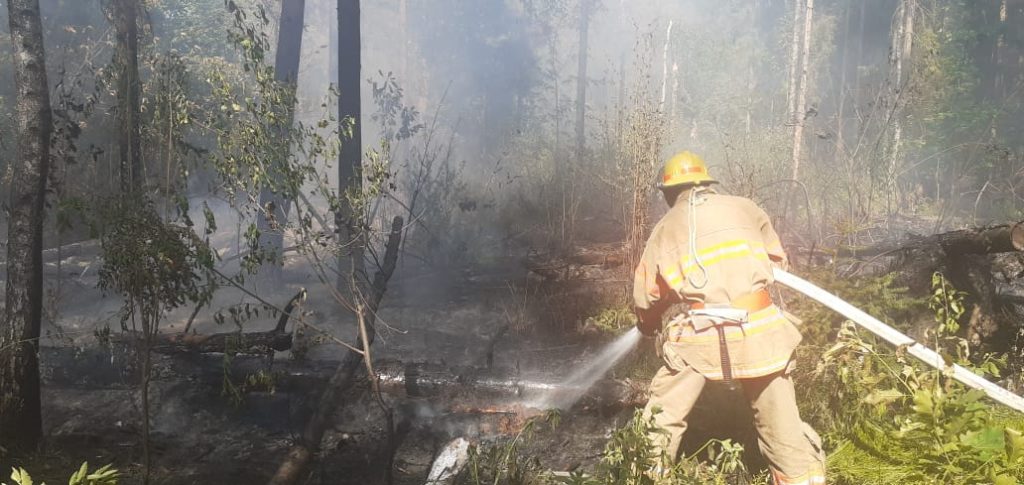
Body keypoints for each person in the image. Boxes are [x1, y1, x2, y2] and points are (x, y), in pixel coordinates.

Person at [632, 151, 825, 485]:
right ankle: (802, 478)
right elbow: (777, 262)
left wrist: (648, 325)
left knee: (662, 413)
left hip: (700, 336)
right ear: (706, 183)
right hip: (760, 331)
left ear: (668, 192)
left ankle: (645, 476)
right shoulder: (745, 207)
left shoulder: (666, 228)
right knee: (781, 423)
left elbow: (647, 296)